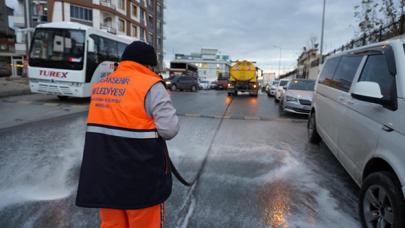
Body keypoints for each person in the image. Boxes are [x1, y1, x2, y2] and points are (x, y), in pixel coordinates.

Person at [76, 41, 179, 228]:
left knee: (112, 225)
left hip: (105, 175)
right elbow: (169, 129)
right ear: (148, 65)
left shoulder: (101, 85)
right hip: (140, 177)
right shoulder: (152, 86)